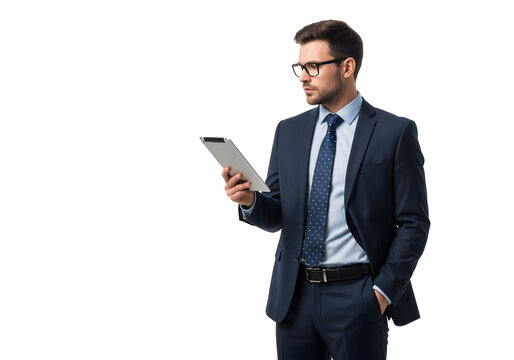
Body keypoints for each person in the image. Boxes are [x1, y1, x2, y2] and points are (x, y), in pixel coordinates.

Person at [222, 20, 429, 360]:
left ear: (348, 67)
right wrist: (249, 201)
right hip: (294, 297)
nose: (303, 76)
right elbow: (277, 214)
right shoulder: (289, 131)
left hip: (358, 296)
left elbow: (414, 223)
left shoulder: (395, 133)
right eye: (300, 67)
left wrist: (381, 293)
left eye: (313, 67)